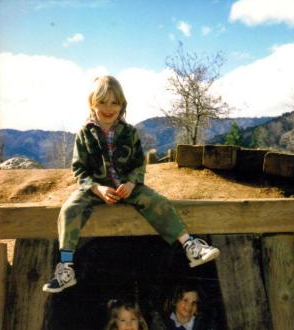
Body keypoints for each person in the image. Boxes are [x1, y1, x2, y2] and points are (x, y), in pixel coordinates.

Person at [43, 75, 219, 293]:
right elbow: (79, 169)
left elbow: (138, 165)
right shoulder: (84, 134)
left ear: (122, 105)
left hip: (127, 188)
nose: (108, 108)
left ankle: (189, 245)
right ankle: (66, 267)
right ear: (92, 104)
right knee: (69, 209)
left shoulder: (130, 133)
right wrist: (97, 189)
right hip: (95, 188)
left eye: (114, 102)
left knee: (156, 201)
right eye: (102, 102)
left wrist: (131, 183)